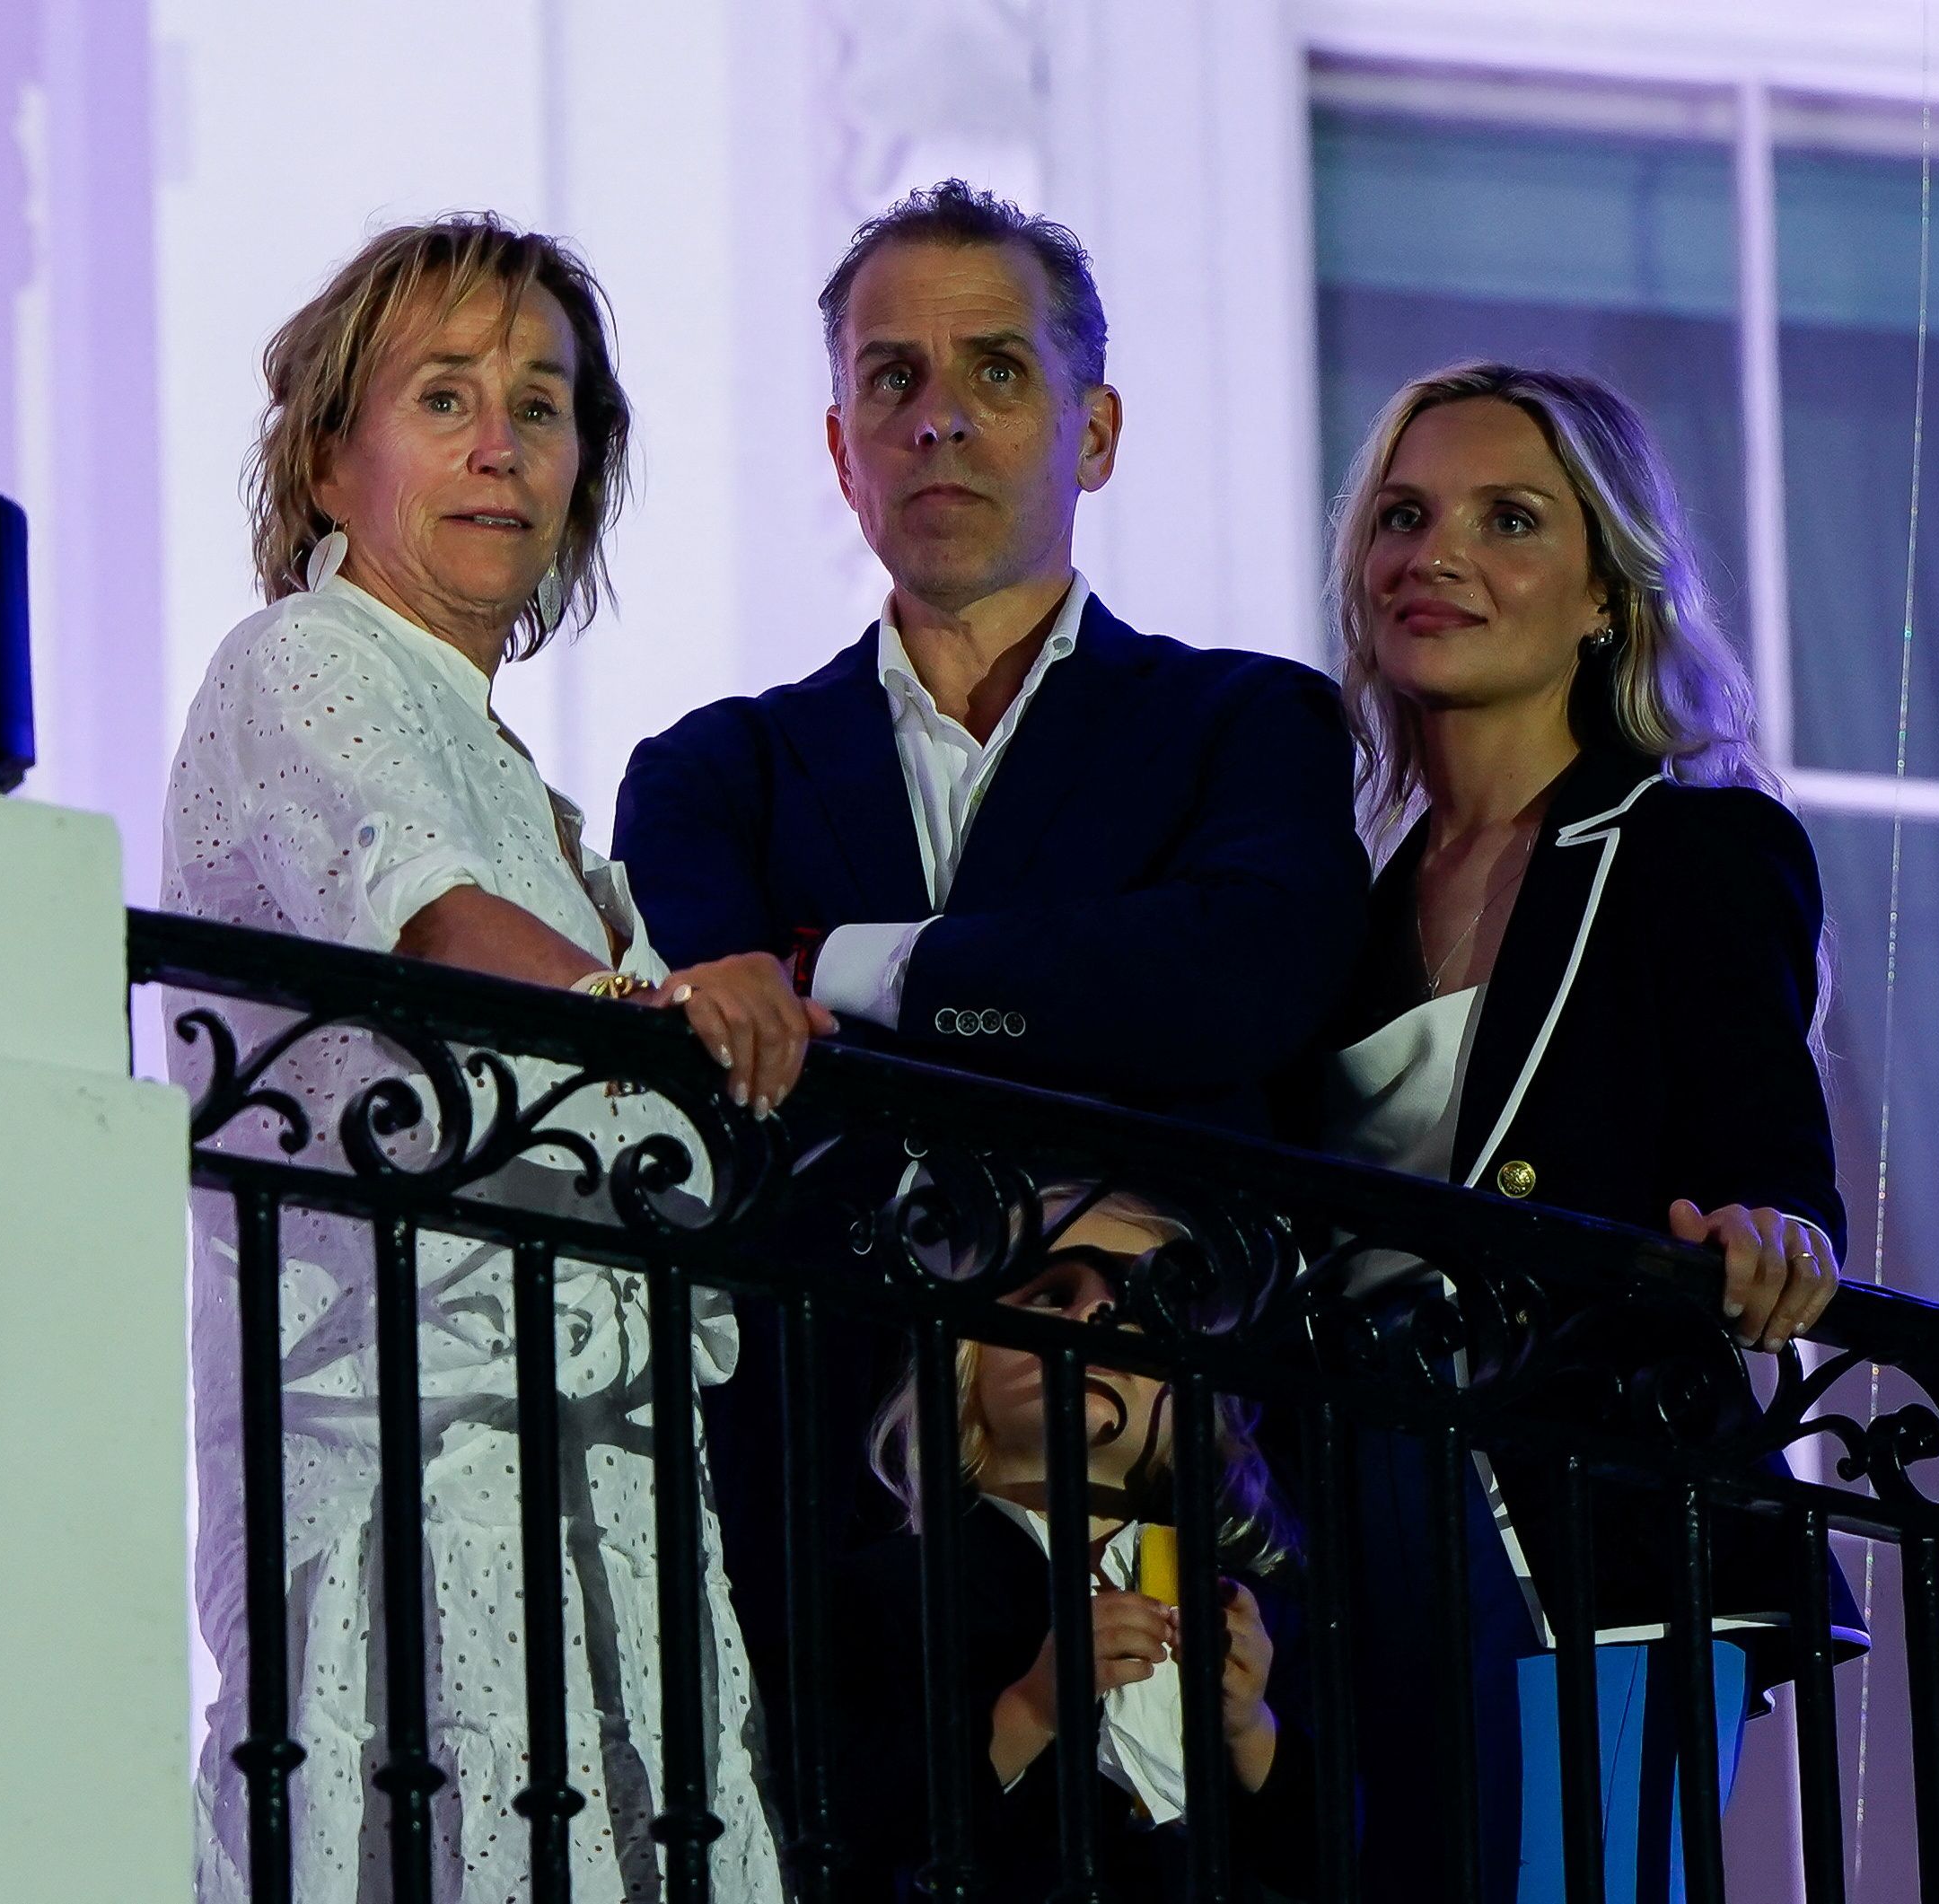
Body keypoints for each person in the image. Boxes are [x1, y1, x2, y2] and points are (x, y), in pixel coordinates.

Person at [162, 215, 826, 1904]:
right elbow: (439, 934)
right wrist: (670, 1016)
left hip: (573, 1471)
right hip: (414, 1463)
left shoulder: (518, 771)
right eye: (443, 397)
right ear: (326, 460)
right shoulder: (302, 661)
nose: (500, 446)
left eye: (541, 408)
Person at [1312, 360, 1860, 1902]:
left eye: (1509, 520)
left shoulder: (1692, 844)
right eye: (1402, 518)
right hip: (1355, 1529)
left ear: (1606, 595)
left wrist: (1769, 1227)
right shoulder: (1332, 908)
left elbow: (1768, 1152)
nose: (1438, 555)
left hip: (1596, 1536)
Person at [610, 179, 1368, 1137]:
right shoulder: (710, 776)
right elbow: (712, 1096)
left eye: (997, 371)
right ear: (844, 457)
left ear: (1093, 436)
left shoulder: (1248, 724)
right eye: (893, 378)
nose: (939, 420)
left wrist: (827, 966)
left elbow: (1235, 995)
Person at [828, 1190, 1320, 1903]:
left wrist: (1251, 1727)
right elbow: (861, 1824)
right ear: (963, 1370)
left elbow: (1329, 1856)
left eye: (1145, 1301)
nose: (1098, 1316)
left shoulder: (1249, 1610)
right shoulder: (892, 1592)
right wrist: (1031, 1709)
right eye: (1053, 1292)